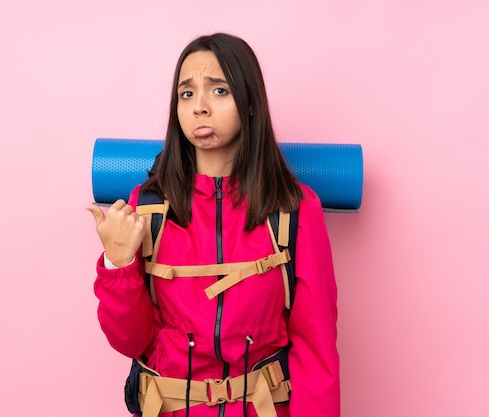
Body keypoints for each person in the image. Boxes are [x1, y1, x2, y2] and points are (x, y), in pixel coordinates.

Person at [86, 33, 339, 417]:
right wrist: (118, 262)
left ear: (250, 103)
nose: (199, 107)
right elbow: (131, 340)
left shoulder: (294, 208)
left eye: (219, 90)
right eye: (187, 94)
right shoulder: (148, 207)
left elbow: (316, 352)